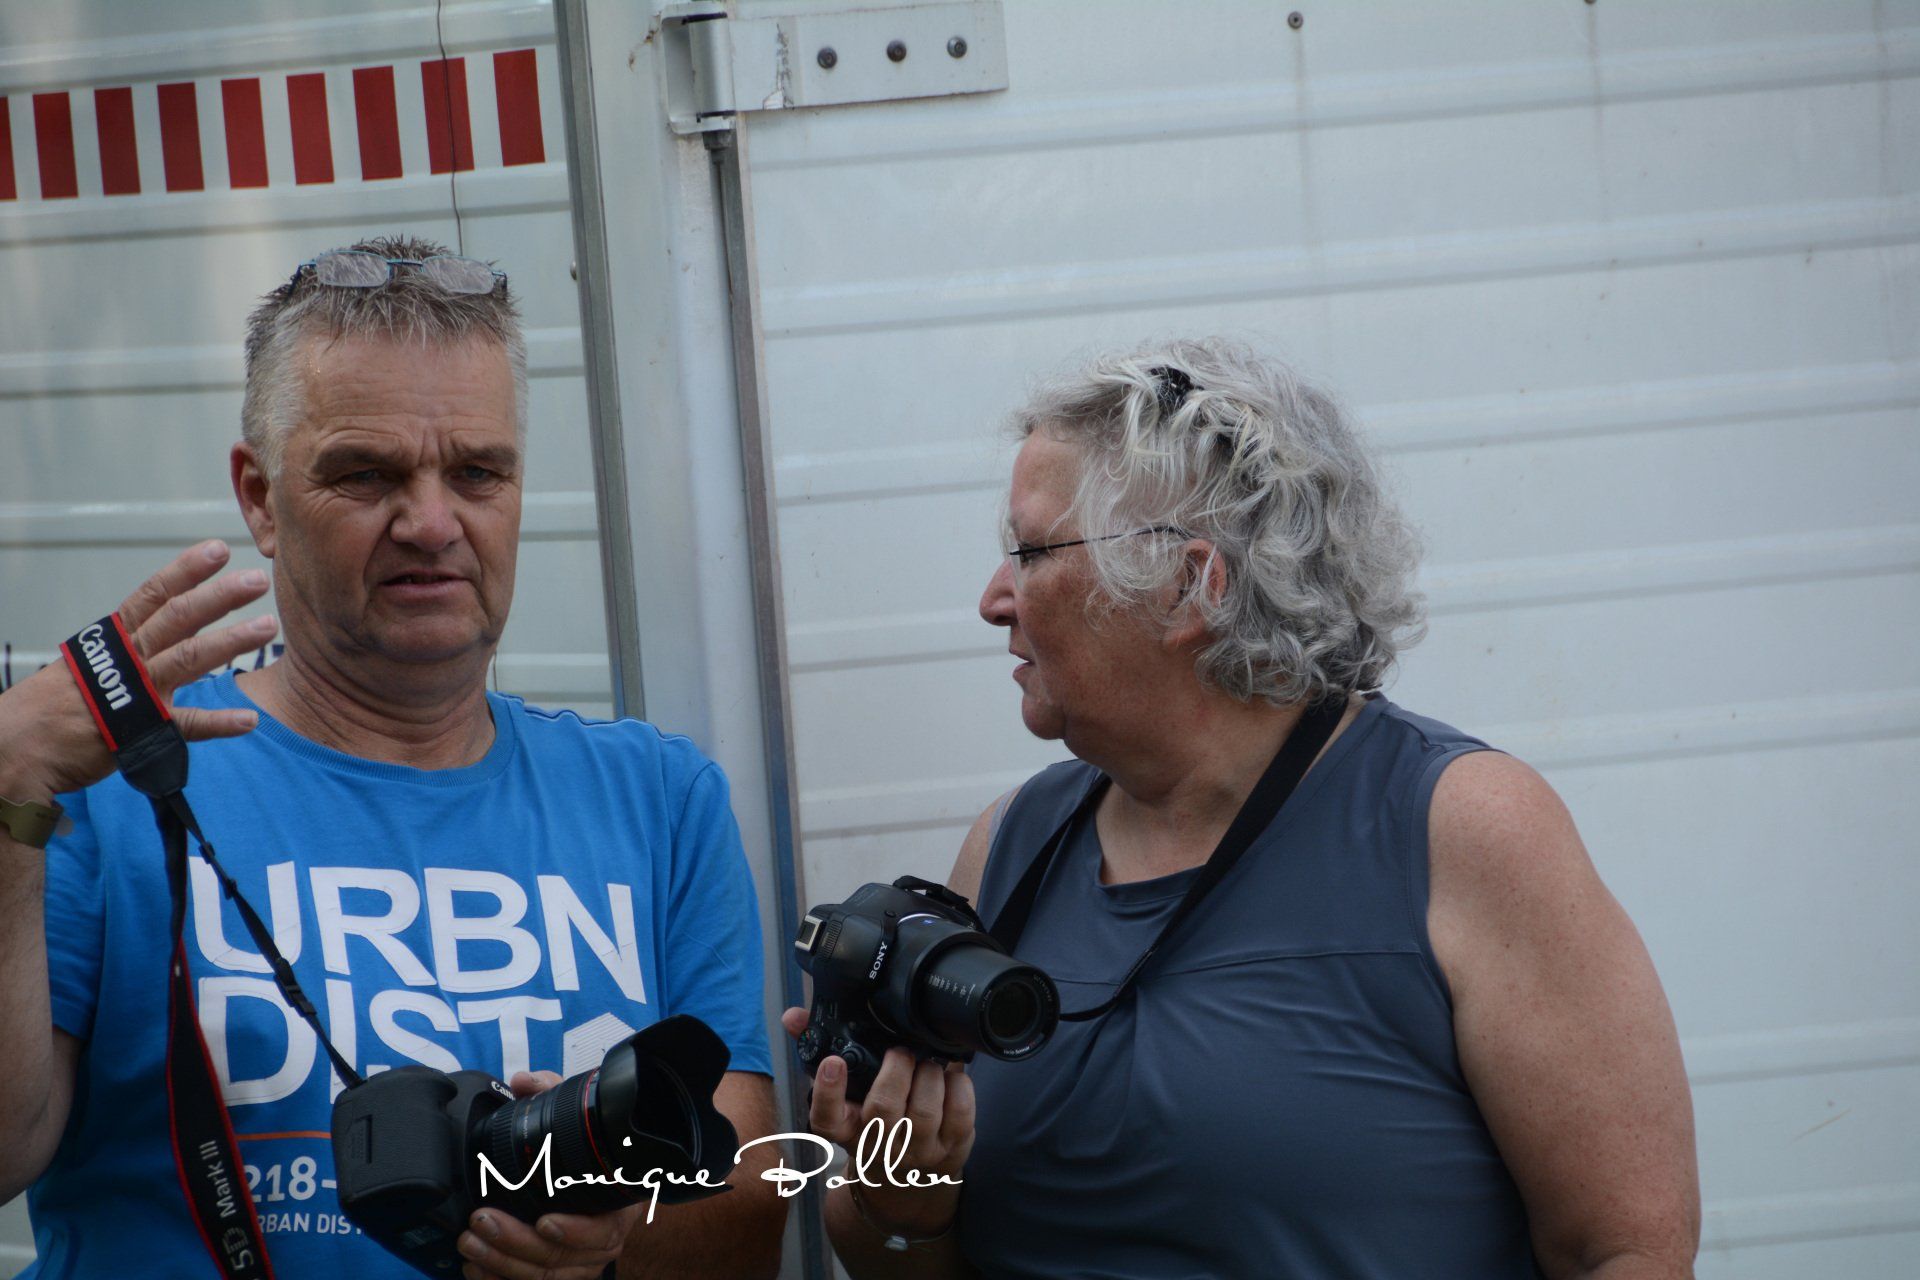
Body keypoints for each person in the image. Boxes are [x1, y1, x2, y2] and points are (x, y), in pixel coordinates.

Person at [787, 339, 1701, 1278]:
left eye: (1029, 551)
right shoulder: (1012, 844)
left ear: (1189, 585)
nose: (993, 600)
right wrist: (904, 1203)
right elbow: (899, 1252)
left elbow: (1627, 1251)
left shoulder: (1459, 827)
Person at [0, 236, 787, 1279]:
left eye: (477, 471)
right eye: (367, 474)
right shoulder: (104, 789)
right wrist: (7, 792)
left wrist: (606, 1236)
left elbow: (750, 1220)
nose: (431, 522)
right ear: (259, 497)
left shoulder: (659, 799)